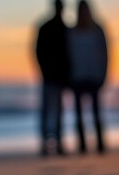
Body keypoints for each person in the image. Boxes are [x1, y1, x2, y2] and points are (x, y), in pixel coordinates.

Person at [69, 0, 109, 154]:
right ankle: (82, 145)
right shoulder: (72, 31)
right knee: (79, 114)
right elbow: (68, 55)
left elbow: (105, 54)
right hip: (77, 77)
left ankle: (100, 144)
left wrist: (103, 74)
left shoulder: (97, 30)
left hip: (94, 76)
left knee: (96, 112)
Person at [36, 0, 70, 156]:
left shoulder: (65, 29)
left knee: (57, 110)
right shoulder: (48, 28)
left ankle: (57, 142)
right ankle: (46, 142)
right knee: (49, 110)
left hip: (60, 77)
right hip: (50, 76)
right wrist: (43, 70)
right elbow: (38, 52)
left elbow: (71, 55)